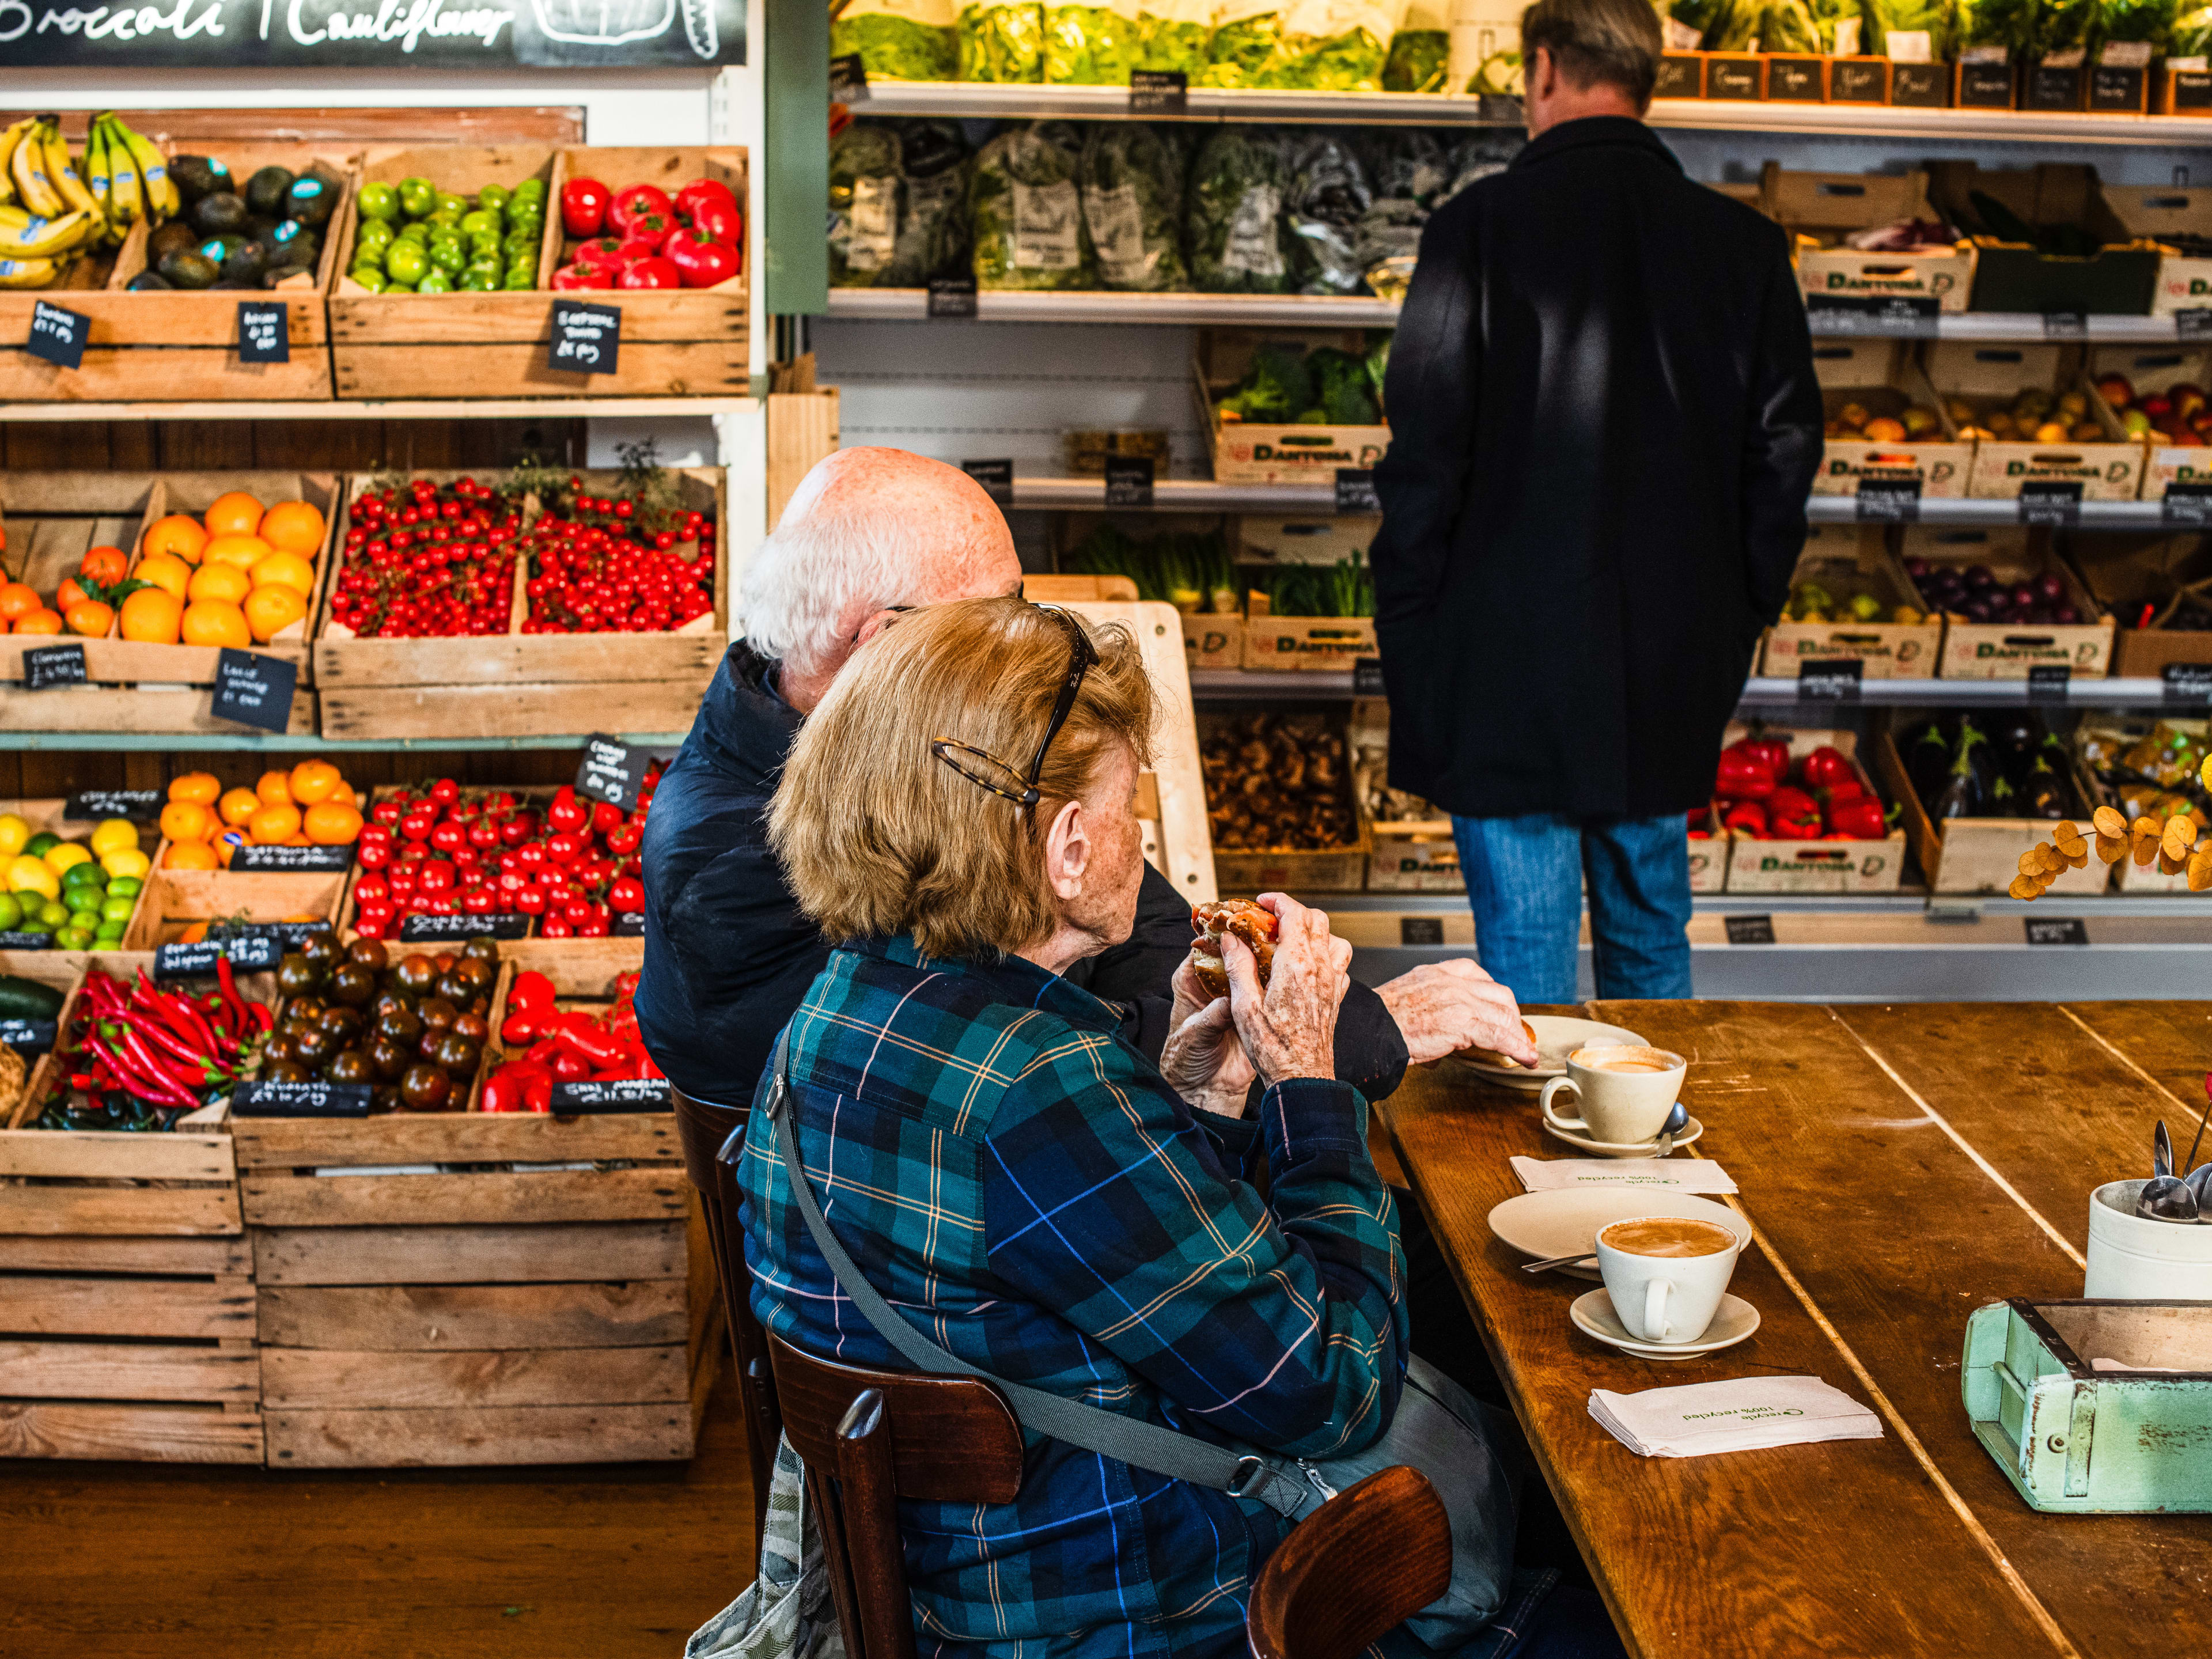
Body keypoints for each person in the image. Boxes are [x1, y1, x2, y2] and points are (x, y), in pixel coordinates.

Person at [738, 597, 1621, 1659]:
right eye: (1128, 805)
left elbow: (1077, 1275)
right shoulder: (1041, 1081)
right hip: (1154, 1615)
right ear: (1068, 846)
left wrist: (1196, 1099)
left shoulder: (829, 1016)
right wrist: (1311, 1079)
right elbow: (1328, 1388)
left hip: (951, 1596)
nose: (1139, 836)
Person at [637, 446, 1537, 1108]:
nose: (1029, 639)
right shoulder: (736, 855)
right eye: (997, 617)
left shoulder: (939, 752)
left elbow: (1137, 927)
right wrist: (1323, 1039)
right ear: (885, 648)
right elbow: (991, 1062)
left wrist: (1243, 1016)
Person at [1369, 0, 1824, 1005]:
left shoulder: (1476, 230)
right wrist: (1739, 609)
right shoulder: (1745, 249)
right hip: (1670, 667)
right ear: (1643, 78)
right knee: (1653, 946)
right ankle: (1659, 1158)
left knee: (1522, 975)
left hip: (1501, 667)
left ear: (1543, 71)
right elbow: (1787, 453)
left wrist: (1409, 627)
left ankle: (1526, 1163)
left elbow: (1423, 458)